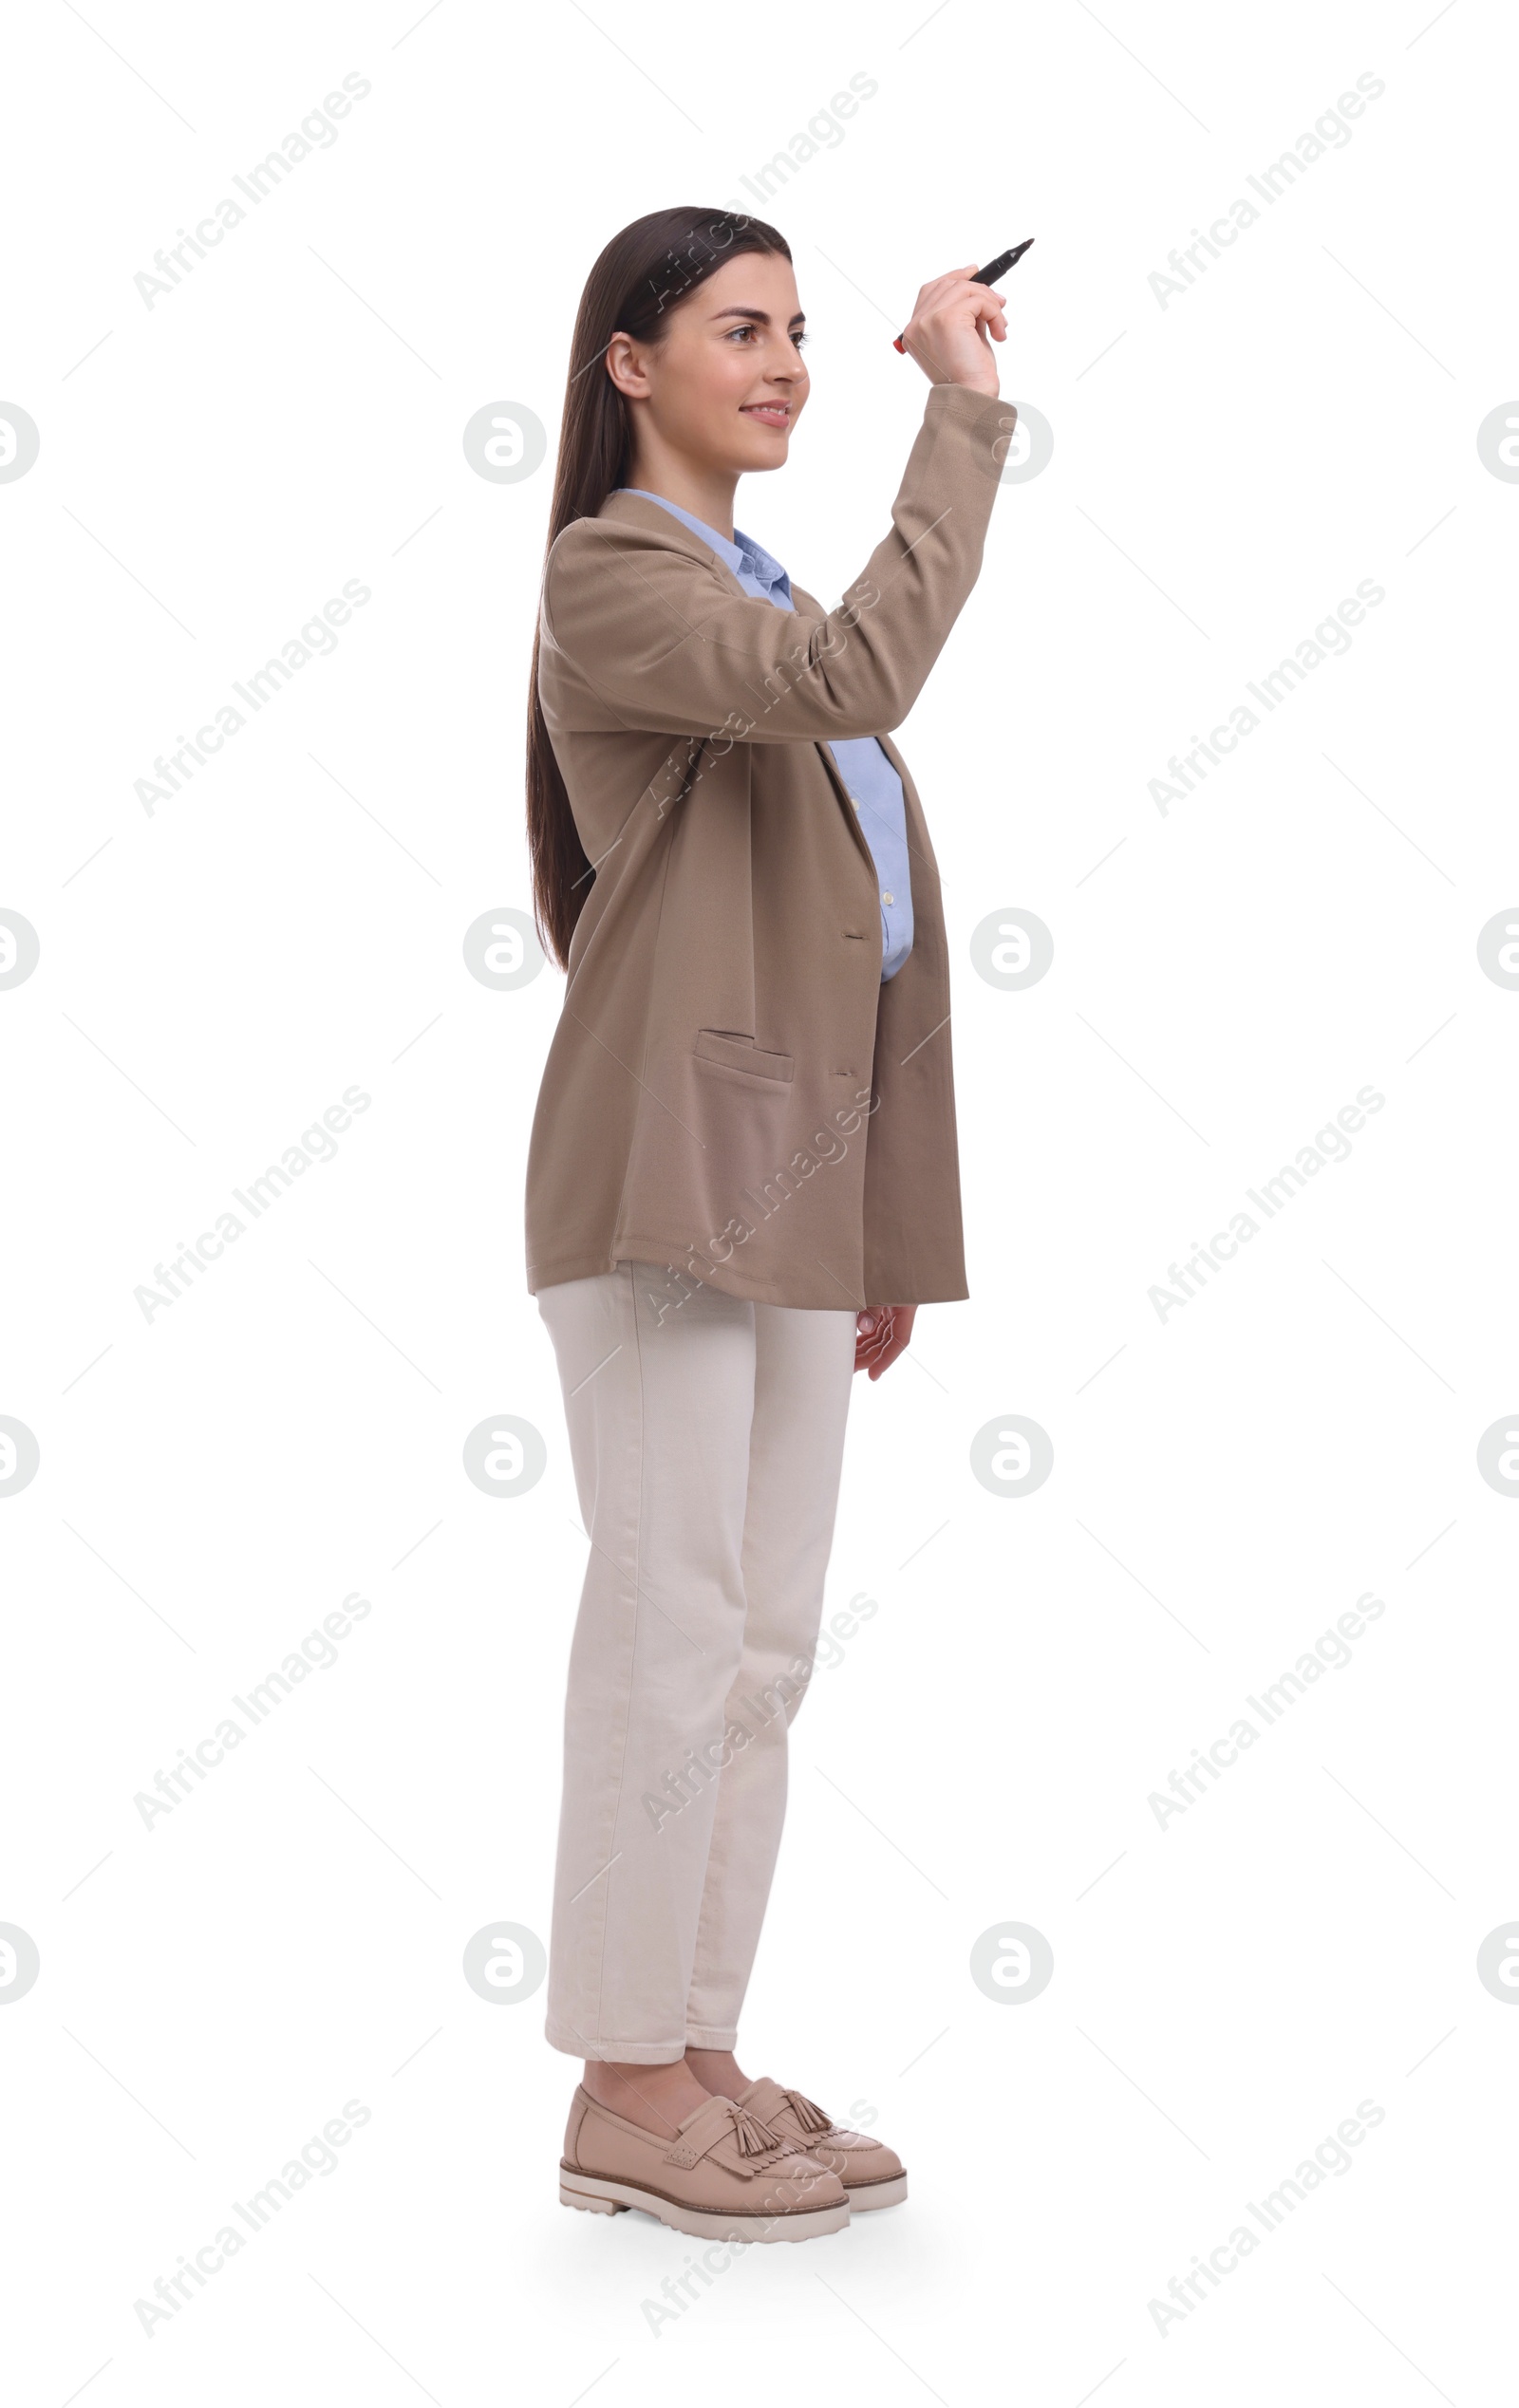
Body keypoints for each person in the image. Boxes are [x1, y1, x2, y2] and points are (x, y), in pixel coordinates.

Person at [523, 205, 1010, 2241]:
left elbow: (859, 934)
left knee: (759, 1649)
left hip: (795, 1197)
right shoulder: (615, 574)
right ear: (628, 362)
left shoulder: (745, 580)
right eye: (742, 328)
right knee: (670, 1626)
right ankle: (622, 2082)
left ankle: (694, 2057)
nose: (789, 359)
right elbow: (855, 674)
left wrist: (881, 1225)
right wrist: (965, 416)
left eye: (802, 329)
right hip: (663, 1178)